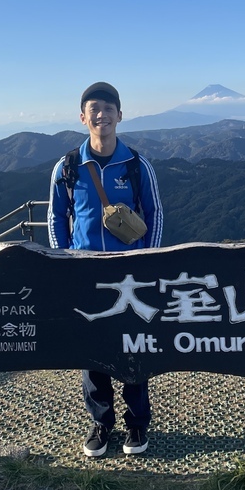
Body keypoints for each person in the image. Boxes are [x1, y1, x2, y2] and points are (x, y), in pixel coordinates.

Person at [48, 81, 163, 458]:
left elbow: (155, 212)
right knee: (91, 351)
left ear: (119, 115)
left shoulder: (135, 164)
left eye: (108, 109)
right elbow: (57, 217)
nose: (102, 115)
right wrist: (63, 262)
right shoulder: (67, 166)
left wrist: (149, 260)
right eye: (94, 109)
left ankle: (136, 423)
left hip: (129, 272)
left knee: (133, 349)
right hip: (84, 271)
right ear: (83, 118)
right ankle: (101, 422)